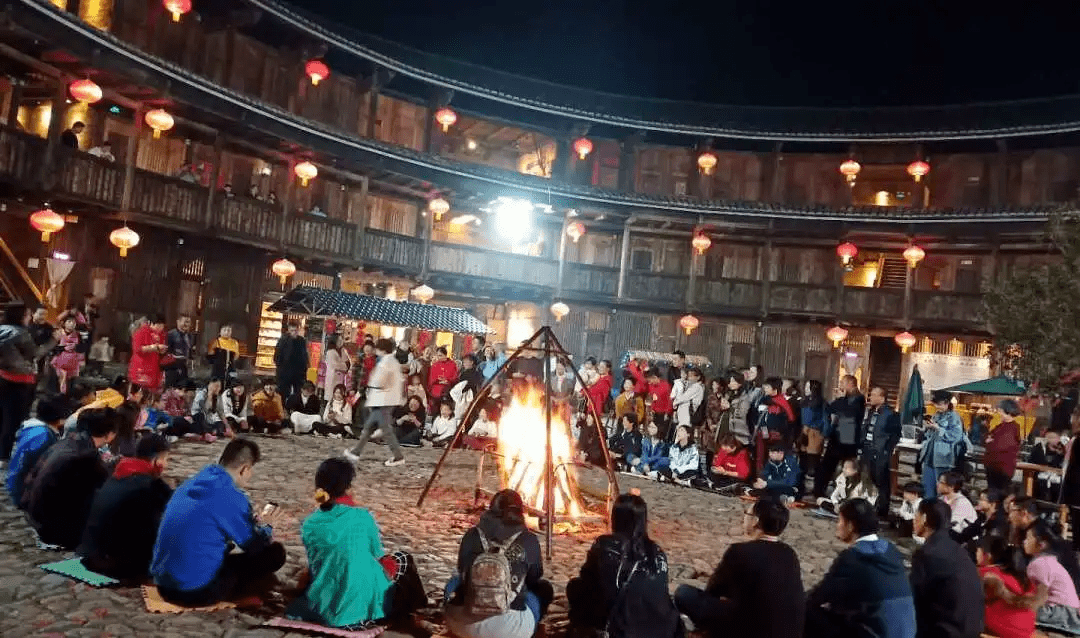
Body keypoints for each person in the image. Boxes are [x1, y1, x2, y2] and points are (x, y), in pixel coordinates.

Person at [286, 458, 425, 628]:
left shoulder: (309, 523)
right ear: (348, 488)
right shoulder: (363, 517)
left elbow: (317, 561)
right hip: (359, 603)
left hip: (323, 605)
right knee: (403, 559)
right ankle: (416, 610)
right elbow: (378, 555)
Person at [152, 439, 287, 606]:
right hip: (193, 591)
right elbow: (255, 547)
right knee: (274, 554)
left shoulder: (192, 483)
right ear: (244, 469)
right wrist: (267, 526)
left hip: (163, 585)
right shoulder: (231, 496)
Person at [674, 495, 805, 638]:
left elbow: (713, 591)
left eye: (747, 514)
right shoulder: (790, 554)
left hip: (748, 629)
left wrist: (715, 578)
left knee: (684, 593)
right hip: (786, 630)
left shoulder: (739, 551)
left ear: (755, 521)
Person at [566, 493, 684, 638]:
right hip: (662, 630)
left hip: (624, 628)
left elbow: (586, 579)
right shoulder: (657, 552)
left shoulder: (605, 545)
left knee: (575, 587)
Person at [444, 489, 554, 638]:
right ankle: (532, 628)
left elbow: (462, 569)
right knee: (544, 589)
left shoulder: (472, 535)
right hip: (510, 630)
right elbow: (534, 576)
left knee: (455, 581)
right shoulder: (528, 539)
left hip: (463, 627)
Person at [805, 498, 916, 638]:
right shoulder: (891, 550)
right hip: (904, 631)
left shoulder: (852, 557)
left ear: (850, 526)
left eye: (840, 521)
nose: (837, 525)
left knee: (806, 611)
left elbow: (820, 595)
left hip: (876, 632)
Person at [79, 434, 173, 580]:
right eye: (166, 459)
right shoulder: (149, 485)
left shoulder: (119, 474)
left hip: (91, 557)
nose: (166, 464)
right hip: (118, 566)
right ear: (157, 460)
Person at [24, 408, 119, 548]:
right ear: (110, 434)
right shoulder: (86, 456)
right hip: (56, 530)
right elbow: (104, 488)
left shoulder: (65, 443)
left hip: (37, 518)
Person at [910, 499, 985, 638]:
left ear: (925, 519)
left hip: (945, 631)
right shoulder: (959, 550)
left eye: (917, 515)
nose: (914, 520)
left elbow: (915, 600)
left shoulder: (927, 553)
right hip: (971, 628)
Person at [345, 338, 407, 467]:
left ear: (382, 349)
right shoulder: (392, 361)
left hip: (382, 401)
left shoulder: (386, 362)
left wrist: (371, 383)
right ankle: (356, 452)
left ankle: (398, 456)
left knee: (384, 430)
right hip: (385, 400)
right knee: (369, 428)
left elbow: (379, 381)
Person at [5, 395, 73, 507]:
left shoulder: (34, 428)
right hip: (25, 492)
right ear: (61, 418)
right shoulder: (44, 437)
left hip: (17, 486)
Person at [977, 535, 1046, 638]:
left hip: (1002, 630)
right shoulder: (1021, 577)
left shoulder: (986, 574)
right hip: (1026, 630)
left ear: (987, 555)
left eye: (978, 551)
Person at [1023, 520, 1080, 634]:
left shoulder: (1039, 563)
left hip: (1061, 612)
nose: (1024, 541)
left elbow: (1039, 597)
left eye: (1028, 538)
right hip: (1071, 612)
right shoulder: (1049, 560)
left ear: (1041, 544)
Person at [815, 375, 866, 500]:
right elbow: (832, 408)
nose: (841, 385)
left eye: (843, 382)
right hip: (837, 435)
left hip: (849, 437)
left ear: (851, 384)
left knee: (848, 467)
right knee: (827, 465)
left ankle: (849, 492)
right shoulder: (845, 398)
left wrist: (840, 400)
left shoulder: (859, 398)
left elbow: (847, 411)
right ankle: (819, 490)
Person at [0, 303, 37, 463]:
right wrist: (53, 341)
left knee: (2, 417)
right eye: (28, 314)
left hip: (2, 378)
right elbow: (36, 353)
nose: (30, 317)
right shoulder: (22, 334)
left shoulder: (1, 329)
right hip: (19, 382)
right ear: (21, 316)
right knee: (13, 420)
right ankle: (4, 457)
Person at [917, 390, 966, 501]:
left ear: (946, 403)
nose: (937, 407)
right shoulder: (936, 415)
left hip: (943, 458)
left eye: (939, 404)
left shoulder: (954, 417)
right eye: (936, 404)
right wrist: (927, 428)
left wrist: (939, 429)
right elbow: (930, 435)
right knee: (927, 489)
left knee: (942, 490)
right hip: (929, 457)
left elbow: (956, 437)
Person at [864, 385, 901, 517]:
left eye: (874, 395)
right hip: (868, 448)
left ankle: (883, 509)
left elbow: (895, 435)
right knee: (871, 477)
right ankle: (872, 504)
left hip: (881, 450)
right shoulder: (871, 411)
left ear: (882, 397)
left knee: (882, 480)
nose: (871, 398)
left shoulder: (891, 414)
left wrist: (887, 450)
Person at [753, 377, 794, 471]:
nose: (765, 389)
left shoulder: (781, 402)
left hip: (776, 435)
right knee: (760, 456)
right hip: (762, 432)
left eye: (767, 387)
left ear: (775, 389)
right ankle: (760, 476)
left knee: (773, 457)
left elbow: (790, 418)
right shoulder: (763, 400)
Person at [984, 399, 1022, 491]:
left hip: (1002, 467)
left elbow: (999, 446)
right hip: (993, 465)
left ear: (1008, 411)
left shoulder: (1012, 428)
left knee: (998, 493)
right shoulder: (1002, 426)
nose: (999, 413)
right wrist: (988, 441)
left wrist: (989, 442)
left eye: (1001, 411)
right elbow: (987, 438)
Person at [128, 314, 167, 394]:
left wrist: (161, 350)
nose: (160, 328)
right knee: (138, 393)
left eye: (162, 326)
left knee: (150, 393)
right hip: (141, 367)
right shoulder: (141, 332)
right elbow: (137, 349)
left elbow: (161, 349)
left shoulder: (162, 334)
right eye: (158, 326)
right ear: (151, 324)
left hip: (153, 367)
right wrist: (153, 347)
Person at [274, 322, 309, 401]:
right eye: (292, 330)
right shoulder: (283, 340)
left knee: (298, 392)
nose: (294, 332)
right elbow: (277, 355)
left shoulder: (301, 340)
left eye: (296, 330)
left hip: (298, 372)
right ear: (289, 330)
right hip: (285, 371)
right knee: (283, 392)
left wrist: (304, 368)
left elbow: (304, 355)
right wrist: (280, 367)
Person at [1030, 428, 1067, 502]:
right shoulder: (1039, 448)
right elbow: (1031, 463)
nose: (1051, 440)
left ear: (1059, 438)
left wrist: (1062, 453)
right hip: (1040, 483)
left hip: (1057, 485)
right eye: (1049, 437)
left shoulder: (1064, 451)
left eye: (1053, 437)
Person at [164, 315, 195, 389]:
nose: (186, 325)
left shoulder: (190, 336)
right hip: (172, 367)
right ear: (178, 322)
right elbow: (166, 350)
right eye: (185, 322)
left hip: (184, 366)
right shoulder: (171, 334)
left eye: (188, 322)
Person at [427, 347, 458, 412]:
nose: (439, 357)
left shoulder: (452, 364)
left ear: (445, 355)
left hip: (447, 391)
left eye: (440, 355)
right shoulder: (435, 365)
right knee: (435, 411)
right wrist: (438, 380)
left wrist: (447, 380)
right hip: (436, 392)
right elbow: (431, 379)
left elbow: (455, 377)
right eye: (437, 355)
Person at [321, 335, 350, 399]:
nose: (341, 342)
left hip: (341, 378)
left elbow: (348, 363)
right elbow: (334, 365)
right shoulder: (330, 352)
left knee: (339, 395)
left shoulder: (343, 351)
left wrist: (343, 365)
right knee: (331, 396)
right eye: (338, 340)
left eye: (341, 340)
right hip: (332, 377)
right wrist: (344, 366)